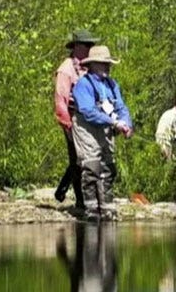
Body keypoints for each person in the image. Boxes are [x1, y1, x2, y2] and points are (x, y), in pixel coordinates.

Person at [72, 45, 133, 221]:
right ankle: (91, 209)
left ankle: (107, 207)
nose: (107, 67)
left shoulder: (112, 85)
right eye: (103, 64)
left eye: (108, 64)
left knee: (108, 167)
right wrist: (114, 122)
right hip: (87, 128)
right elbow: (88, 111)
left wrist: (126, 125)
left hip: (105, 128)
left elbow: (121, 107)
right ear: (92, 65)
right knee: (92, 167)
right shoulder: (83, 84)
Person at [53, 30, 100, 207]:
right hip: (72, 118)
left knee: (84, 157)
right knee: (77, 158)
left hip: (88, 119)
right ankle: (81, 201)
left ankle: (62, 190)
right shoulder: (66, 69)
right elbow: (60, 98)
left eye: (91, 45)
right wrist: (66, 123)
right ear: (78, 47)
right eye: (88, 45)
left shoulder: (89, 67)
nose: (91, 48)